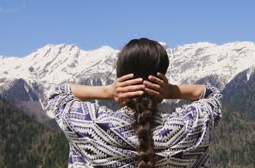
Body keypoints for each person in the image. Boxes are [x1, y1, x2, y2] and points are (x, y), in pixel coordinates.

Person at [48, 38, 222, 168]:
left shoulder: (90, 125)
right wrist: (171, 91)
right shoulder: (191, 127)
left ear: (120, 78)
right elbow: (212, 94)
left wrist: (107, 92)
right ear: (162, 77)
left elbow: (59, 94)